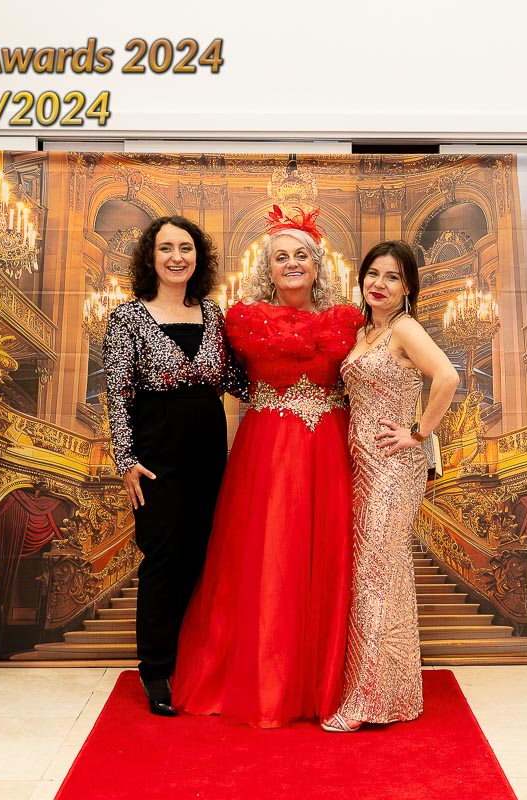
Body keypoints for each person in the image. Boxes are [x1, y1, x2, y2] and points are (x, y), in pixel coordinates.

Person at [172, 206, 364, 728]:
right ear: (268, 267)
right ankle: (265, 680)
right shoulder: (244, 319)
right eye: (282, 257)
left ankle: (322, 681)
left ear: (318, 265)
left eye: (302, 255)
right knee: (267, 554)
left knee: (324, 553)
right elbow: (217, 375)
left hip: (327, 449)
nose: (292, 263)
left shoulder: (347, 320)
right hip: (266, 451)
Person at [104, 216, 247, 716]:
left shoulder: (213, 314)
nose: (176, 257)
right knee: (164, 559)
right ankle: (156, 668)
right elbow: (117, 395)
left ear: (197, 257)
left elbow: (236, 379)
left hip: (208, 450)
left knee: (203, 556)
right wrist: (126, 460)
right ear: (151, 256)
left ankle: (194, 661)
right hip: (155, 457)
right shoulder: (127, 317)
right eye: (165, 248)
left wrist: (293, 384)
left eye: (185, 248)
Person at [321, 241, 459, 734]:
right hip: (358, 466)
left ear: (407, 288)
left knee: (376, 576)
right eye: (373, 274)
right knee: (380, 574)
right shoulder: (364, 332)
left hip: (393, 468)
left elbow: (447, 376)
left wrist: (418, 433)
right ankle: (396, 692)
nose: (379, 284)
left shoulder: (404, 328)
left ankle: (367, 701)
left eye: (393, 277)